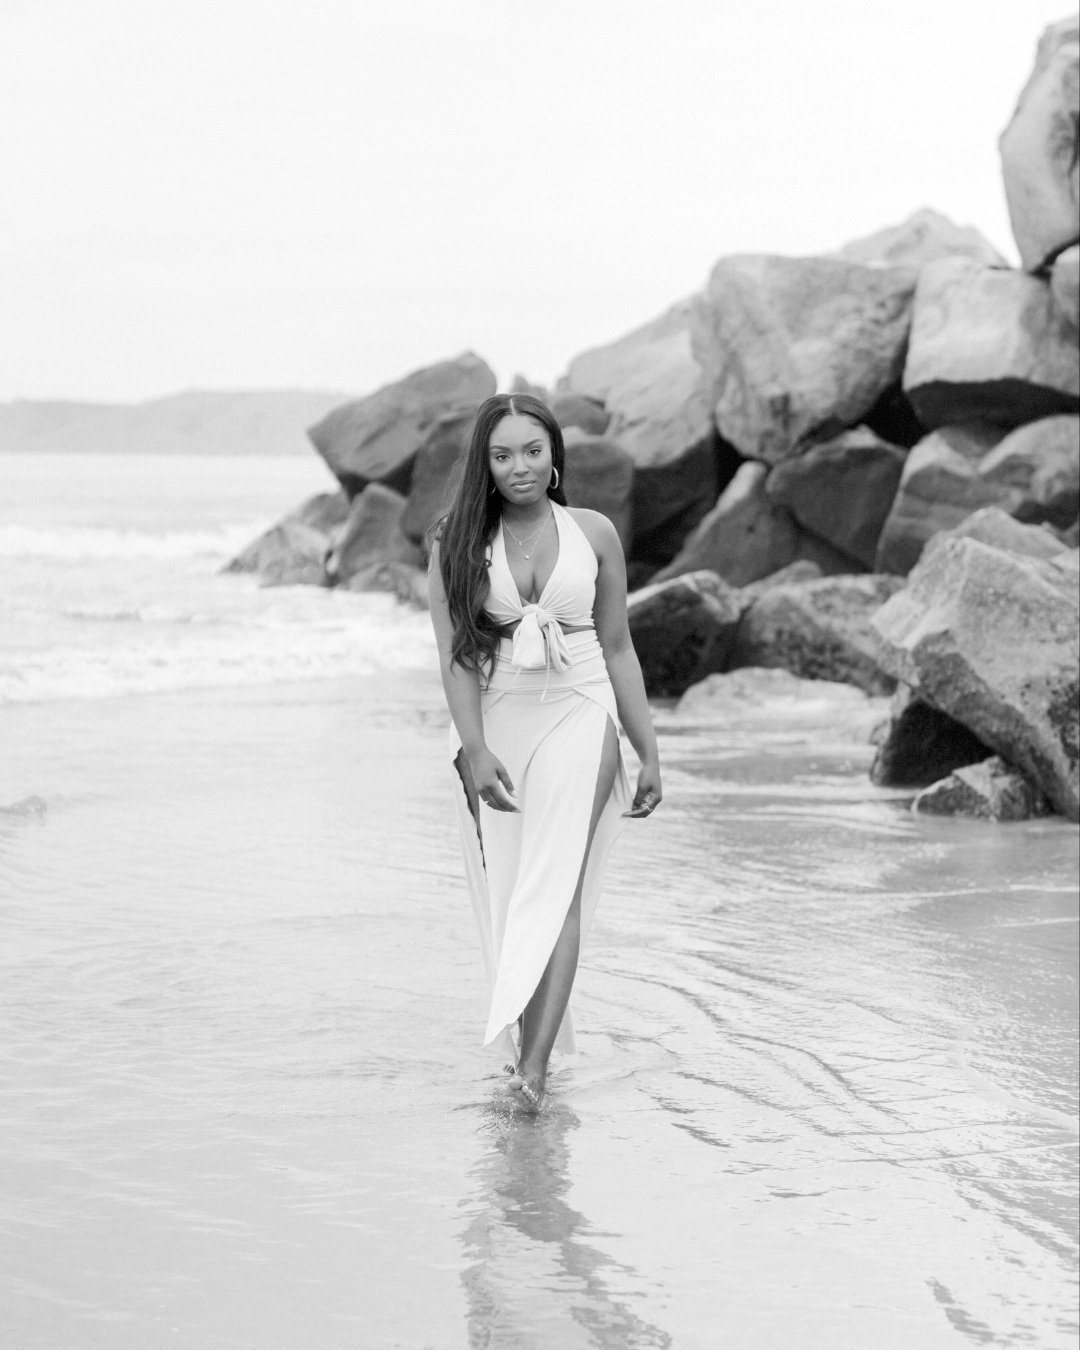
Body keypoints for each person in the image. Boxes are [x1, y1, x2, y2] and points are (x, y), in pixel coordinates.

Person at [427, 392, 662, 1112]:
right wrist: (474, 749)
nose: (520, 467)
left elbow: (618, 646)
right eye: (502, 455)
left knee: (556, 886)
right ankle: (528, 1053)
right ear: (484, 464)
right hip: (496, 721)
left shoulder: (594, 533)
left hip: (581, 709)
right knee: (513, 896)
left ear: (556, 455)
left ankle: (532, 1075)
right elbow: (456, 658)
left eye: (533, 451)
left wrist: (648, 750)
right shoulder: (454, 539)